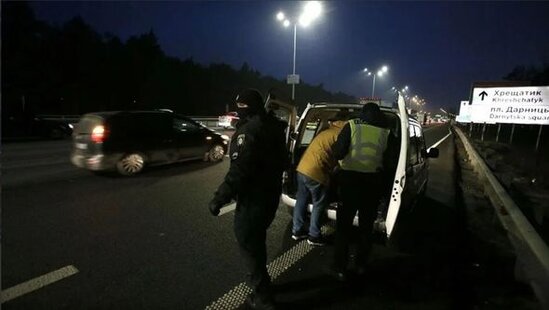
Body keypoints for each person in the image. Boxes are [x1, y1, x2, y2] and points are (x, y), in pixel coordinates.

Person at [209, 89, 288, 310]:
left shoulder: (250, 131)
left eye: (241, 106)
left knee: (249, 245)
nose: (238, 111)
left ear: (247, 107)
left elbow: (240, 170)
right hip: (271, 194)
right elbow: (283, 160)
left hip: (254, 199)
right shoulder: (274, 127)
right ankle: (264, 284)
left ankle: (262, 296)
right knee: (257, 241)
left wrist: (220, 197)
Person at [330, 102, 392, 280]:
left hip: (349, 182)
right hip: (372, 185)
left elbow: (338, 152)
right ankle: (361, 265)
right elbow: (389, 162)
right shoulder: (386, 132)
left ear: (362, 114)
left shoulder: (351, 126)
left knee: (343, 227)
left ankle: (340, 267)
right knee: (366, 228)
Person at [292, 112, 348, 246]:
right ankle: (314, 235)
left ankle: (297, 231)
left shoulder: (326, 132)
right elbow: (342, 158)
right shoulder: (342, 135)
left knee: (301, 199)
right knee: (319, 203)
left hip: (302, 168)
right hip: (316, 172)